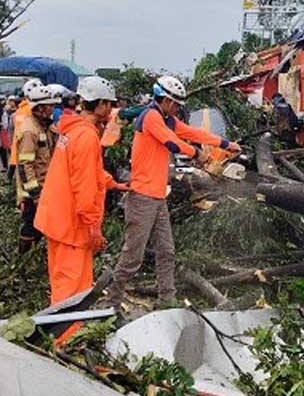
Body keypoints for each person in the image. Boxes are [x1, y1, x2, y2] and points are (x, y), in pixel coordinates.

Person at [107, 76, 240, 308]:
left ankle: (166, 301)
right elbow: (173, 143)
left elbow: (192, 132)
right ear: (166, 100)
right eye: (176, 103)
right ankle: (111, 303)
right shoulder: (150, 117)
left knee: (167, 252)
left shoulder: (167, 118)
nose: (178, 108)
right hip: (142, 197)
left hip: (158, 196)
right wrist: (197, 154)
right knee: (132, 257)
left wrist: (224, 144)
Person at [34, 77, 128, 344]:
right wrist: (93, 228)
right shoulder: (86, 136)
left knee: (62, 285)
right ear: (98, 105)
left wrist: (113, 183)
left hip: (57, 220)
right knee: (72, 294)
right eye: (108, 104)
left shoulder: (72, 130)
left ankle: (57, 338)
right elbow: (84, 187)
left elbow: (85, 172)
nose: (110, 110)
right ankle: (63, 345)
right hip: (72, 226)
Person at [15, 85, 59, 254]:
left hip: (46, 185)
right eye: (50, 106)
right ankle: (23, 259)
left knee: (43, 225)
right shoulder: (29, 131)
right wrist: (35, 194)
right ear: (40, 108)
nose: (53, 109)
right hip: (33, 191)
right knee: (31, 225)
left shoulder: (46, 127)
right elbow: (25, 165)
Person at [8, 78, 42, 181]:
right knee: (29, 175)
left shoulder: (19, 111)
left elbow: (12, 131)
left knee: (20, 174)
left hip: (18, 148)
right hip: (32, 149)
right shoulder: (32, 110)